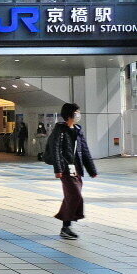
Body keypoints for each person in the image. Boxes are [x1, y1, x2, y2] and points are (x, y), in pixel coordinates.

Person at [46, 103, 97, 240]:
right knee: (75, 196)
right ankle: (66, 227)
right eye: (77, 112)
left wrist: (92, 169)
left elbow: (84, 151)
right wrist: (58, 169)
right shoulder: (59, 130)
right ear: (70, 114)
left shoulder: (78, 130)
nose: (78, 114)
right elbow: (55, 150)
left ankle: (65, 227)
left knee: (71, 196)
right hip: (65, 169)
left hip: (77, 169)